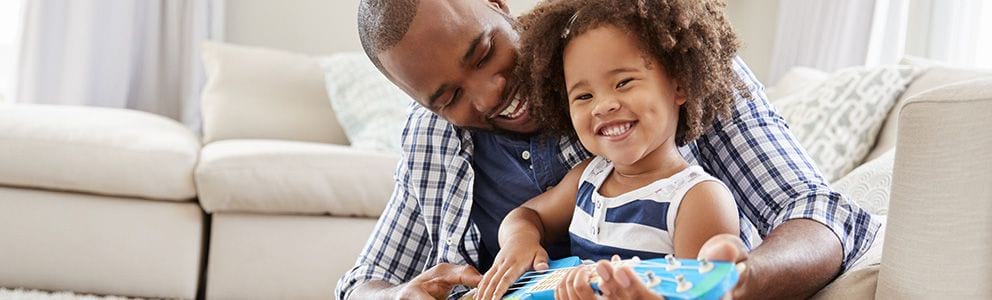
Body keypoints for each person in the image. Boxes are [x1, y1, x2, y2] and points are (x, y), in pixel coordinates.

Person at [337, 0, 882, 299]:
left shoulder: (656, 62)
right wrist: (395, 297)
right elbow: (362, 280)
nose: (489, 93)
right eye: (449, 97)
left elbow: (818, 212)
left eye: (484, 53)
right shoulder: (431, 136)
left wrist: (736, 282)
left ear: (497, 4)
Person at [475, 0, 747, 298]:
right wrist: (519, 239)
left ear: (679, 84)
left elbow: (699, 289)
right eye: (584, 96)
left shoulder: (697, 199)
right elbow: (526, 214)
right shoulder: (588, 179)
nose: (603, 106)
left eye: (624, 82)